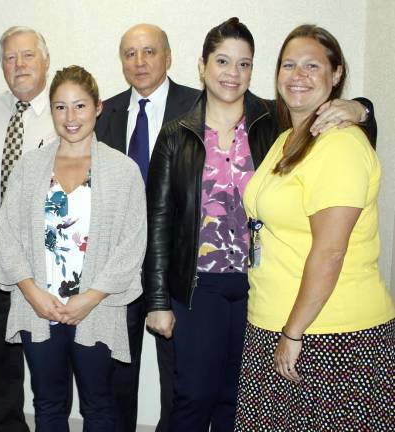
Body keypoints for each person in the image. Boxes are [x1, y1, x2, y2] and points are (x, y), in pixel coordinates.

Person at [145, 18, 377, 432]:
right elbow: (159, 221)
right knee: (193, 396)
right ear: (202, 65)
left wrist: (361, 108)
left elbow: (340, 127)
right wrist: (158, 300)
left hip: (259, 286)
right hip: (198, 286)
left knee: (239, 400)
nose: (232, 74)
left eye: (244, 64)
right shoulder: (176, 134)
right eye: (222, 61)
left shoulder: (276, 122)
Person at [235, 24, 394, 431]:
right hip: (276, 321)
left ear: (336, 74)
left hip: (329, 335)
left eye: (311, 65)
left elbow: (330, 251)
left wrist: (294, 332)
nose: (297, 75)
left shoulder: (340, 144)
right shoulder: (287, 137)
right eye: (289, 65)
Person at [0, 65, 146, 432]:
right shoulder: (29, 167)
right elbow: (7, 236)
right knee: (47, 403)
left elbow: (132, 243)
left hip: (95, 308)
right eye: (60, 107)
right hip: (39, 308)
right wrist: (32, 293)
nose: (70, 117)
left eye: (79, 106)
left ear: (98, 107)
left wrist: (89, 298)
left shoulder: (122, 170)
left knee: (99, 404)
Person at [94, 23, 199, 432]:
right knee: (119, 371)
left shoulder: (199, 106)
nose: (139, 62)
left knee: (178, 373)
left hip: (177, 263)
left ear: (168, 57)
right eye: (130, 53)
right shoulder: (105, 112)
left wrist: (360, 108)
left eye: (149, 52)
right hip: (119, 265)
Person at [0, 25, 56, 432]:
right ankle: (4, 425)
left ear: (45, 60)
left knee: (45, 339)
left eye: (27, 55)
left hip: (47, 241)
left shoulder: (64, 112)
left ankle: (51, 422)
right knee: (0, 339)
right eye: (10, 57)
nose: (19, 64)